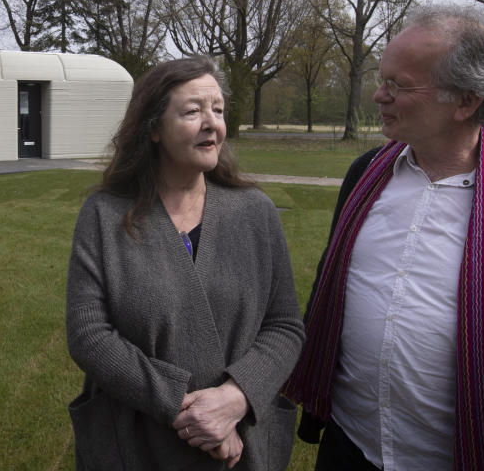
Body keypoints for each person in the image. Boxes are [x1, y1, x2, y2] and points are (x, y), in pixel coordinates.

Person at [283, 7, 484, 471]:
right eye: (382, 80)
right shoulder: (365, 175)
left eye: (399, 85)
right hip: (350, 446)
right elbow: (326, 289)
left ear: (465, 101)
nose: (379, 95)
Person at [65, 56, 305, 470]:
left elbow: (284, 326)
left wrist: (234, 399)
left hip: (241, 446)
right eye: (193, 111)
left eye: (218, 110)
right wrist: (188, 409)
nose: (212, 122)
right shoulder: (104, 215)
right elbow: (89, 334)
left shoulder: (255, 212)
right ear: (154, 127)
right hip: (136, 444)